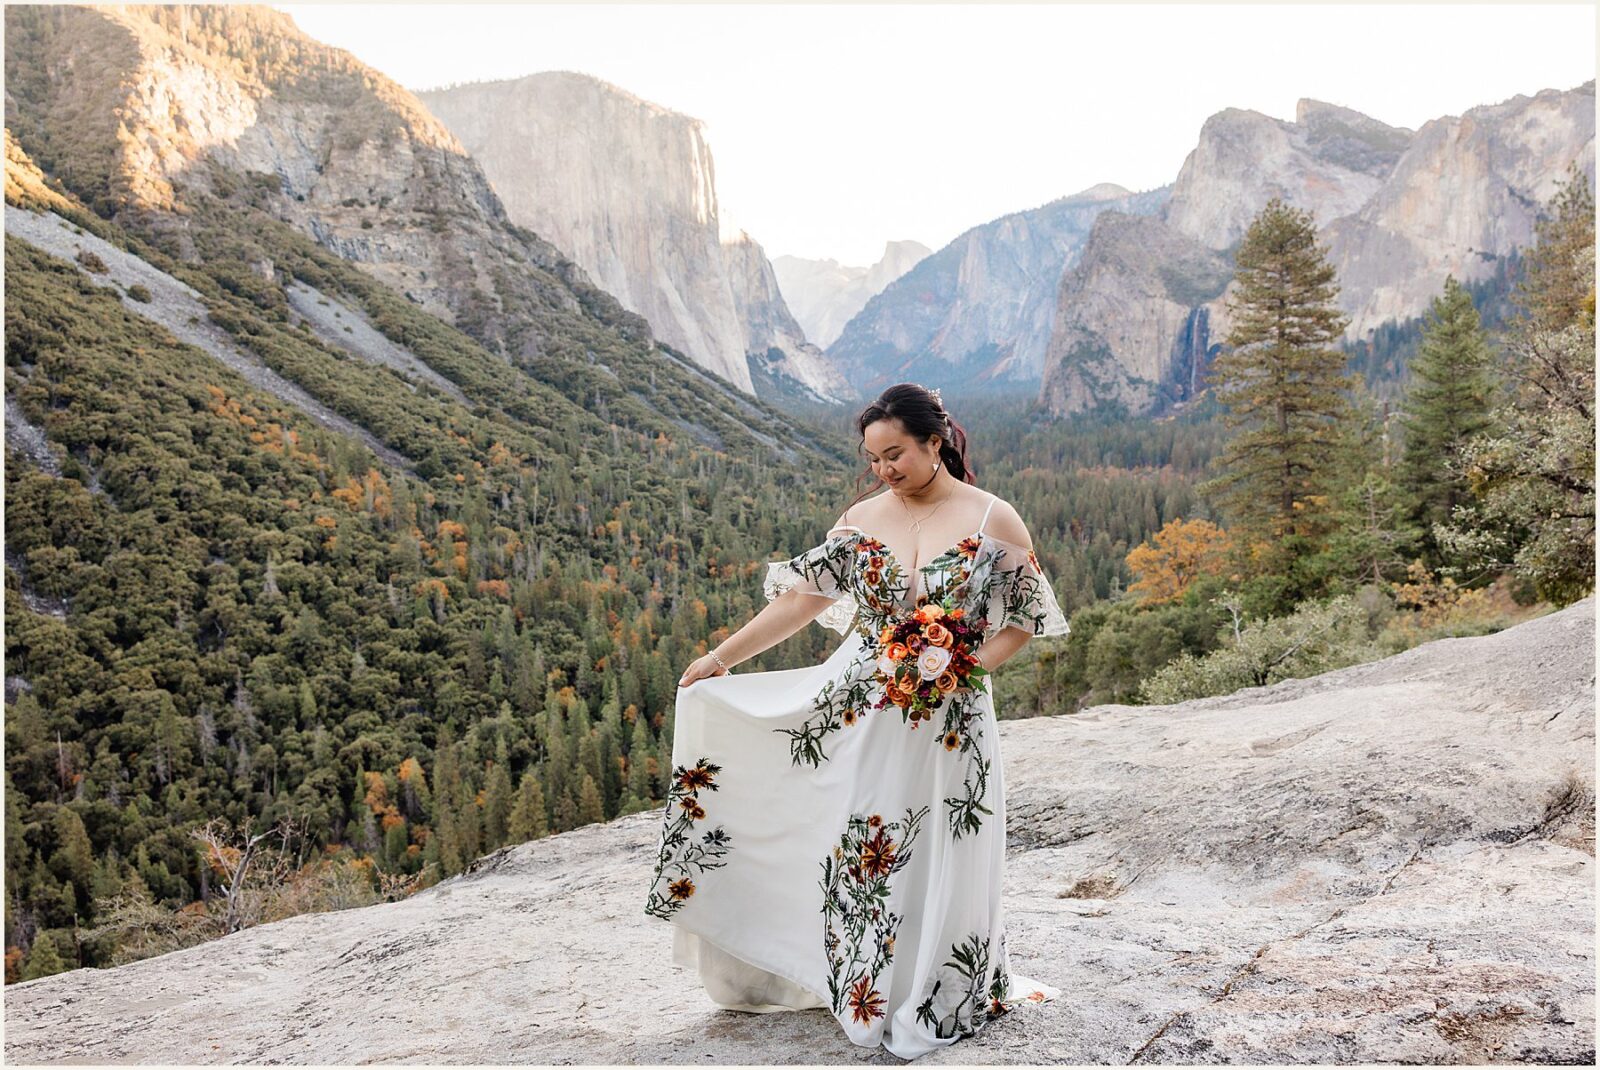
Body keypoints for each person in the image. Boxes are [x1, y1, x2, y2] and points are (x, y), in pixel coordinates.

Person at [643, 382, 1070, 1059]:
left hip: (953, 719)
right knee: (868, 846)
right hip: (867, 708)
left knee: (948, 847)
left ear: (937, 443)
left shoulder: (995, 520)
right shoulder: (860, 519)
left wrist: (962, 668)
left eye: (895, 454)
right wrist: (721, 657)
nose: (884, 471)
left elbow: (1024, 621)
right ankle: (866, 984)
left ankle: (944, 987)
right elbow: (801, 602)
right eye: (874, 459)